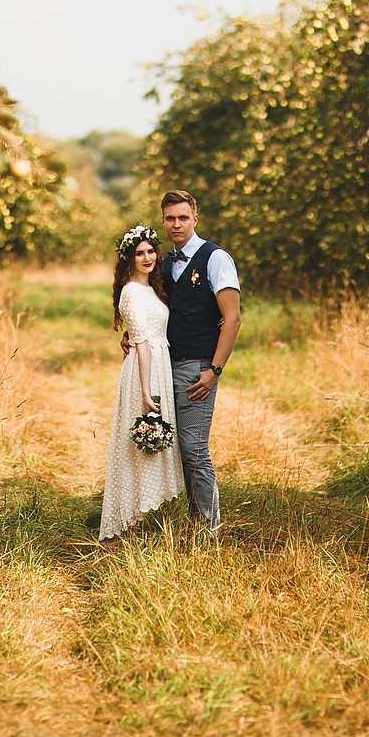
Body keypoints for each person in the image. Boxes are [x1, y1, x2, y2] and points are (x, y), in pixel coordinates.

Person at [159, 190, 241, 538]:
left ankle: (209, 529)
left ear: (195, 218)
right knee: (173, 446)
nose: (176, 224)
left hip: (198, 368)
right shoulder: (162, 262)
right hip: (164, 367)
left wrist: (214, 370)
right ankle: (187, 521)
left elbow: (233, 318)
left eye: (182, 217)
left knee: (193, 447)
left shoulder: (215, 258)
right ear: (163, 221)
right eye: (169, 218)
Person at [99, 224, 186, 541]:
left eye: (151, 251)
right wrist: (147, 393)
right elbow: (143, 343)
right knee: (136, 446)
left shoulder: (154, 289)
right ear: (129, 258)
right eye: (140, 253)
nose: (147, 257)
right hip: (143, 372)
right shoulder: (131, 291)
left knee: (152, 446)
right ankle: (127, 521)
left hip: (160, 366)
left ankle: (141, 519)